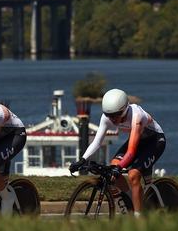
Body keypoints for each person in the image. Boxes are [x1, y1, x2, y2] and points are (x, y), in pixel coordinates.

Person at [69, 88, 166, 217]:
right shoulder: (107, 117)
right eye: (109, 115)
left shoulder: (136, 116)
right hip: (137, 140)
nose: (112, 119)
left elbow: (131, 150)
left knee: (133, 175)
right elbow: (97, 142)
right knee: (113, 168)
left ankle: (139, 220)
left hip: (155, 141)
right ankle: (133, 199)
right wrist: (82, 160)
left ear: (124, 110)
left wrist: (120, 168)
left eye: (116, 115)